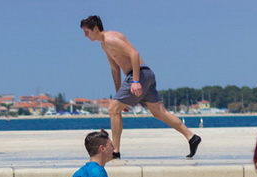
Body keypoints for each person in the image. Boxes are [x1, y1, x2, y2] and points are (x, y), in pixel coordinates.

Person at [80, 15, 201, 160]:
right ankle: (191, 137)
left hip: (139, 75)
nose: (85, 35)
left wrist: (135, 81)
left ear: (95, 28)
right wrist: (119, 93)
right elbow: (115, 69)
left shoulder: (110, 39)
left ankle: (115, 152)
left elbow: (134, 54)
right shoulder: (104, 45)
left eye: (86, 31)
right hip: (145, 74)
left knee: (113, 109)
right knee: (159, 112)